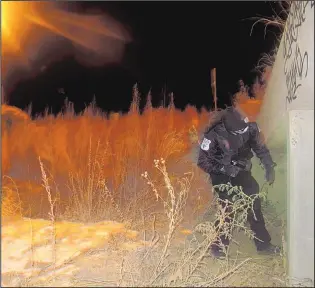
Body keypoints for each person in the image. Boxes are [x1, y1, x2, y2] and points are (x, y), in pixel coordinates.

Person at [197, 105, 280, 258]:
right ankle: (219, 247)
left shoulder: (251, 128)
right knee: (227, 208)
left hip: (241, 170)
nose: (243, 132)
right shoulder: (214, 134)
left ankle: (263, 244)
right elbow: (202, 161)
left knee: (253, 201)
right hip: (220, 172)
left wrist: (269, 166)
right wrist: (224, 169)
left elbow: (260, 148)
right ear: (228, 129)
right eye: (239, 131)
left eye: (244, 129)